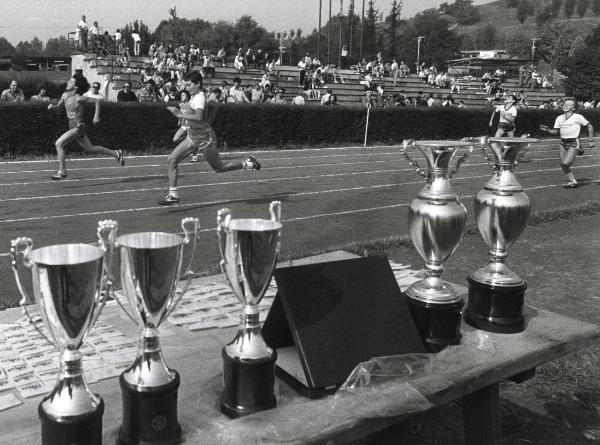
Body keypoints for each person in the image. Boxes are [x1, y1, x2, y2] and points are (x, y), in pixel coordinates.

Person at [159, 71, 261, 206]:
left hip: (205, 139)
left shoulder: (199, 97)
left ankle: (249, 163)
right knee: (172, 160)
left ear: (198, 84)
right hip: (193, 136)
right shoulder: (194, 96)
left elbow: (198, 117)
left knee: (219, 168)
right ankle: (173, 195)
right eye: (186, 85)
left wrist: (178, 114)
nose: (187, 88)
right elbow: (206, 111)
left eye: (189, 85)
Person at [47, 74, 125, 180]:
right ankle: (116, 153)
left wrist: (96, 117)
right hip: (72, 127)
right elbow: (58, 108)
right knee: (90, 148)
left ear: (76, 87)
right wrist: (53, 107)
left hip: (79, 127)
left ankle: (62, 172)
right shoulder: (64, 95)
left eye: (71, 81)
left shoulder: (79, 98)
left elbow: (97, 101)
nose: (68, 82)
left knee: (59, 143)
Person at [539, 99, 595, 188]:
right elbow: (555, 131)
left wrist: (591, 140)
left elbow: (589, 126)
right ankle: (573, 181)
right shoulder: (559, 118)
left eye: (568, 105)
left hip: (573, 142)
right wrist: (548, 130)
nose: (565, 105)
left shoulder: (578, 117)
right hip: (563, 142)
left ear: (573, 108)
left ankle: (579, 147)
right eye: (565, 104)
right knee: (562, 164)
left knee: (566, 163)